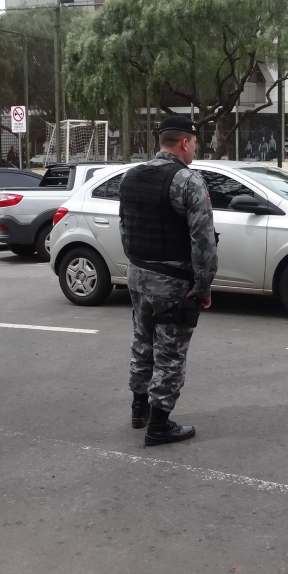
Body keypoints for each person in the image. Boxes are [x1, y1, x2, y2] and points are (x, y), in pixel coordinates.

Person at [119, 115, 218, 446]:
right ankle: (159, 424)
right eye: (195, 144)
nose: (195, 150)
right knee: (170, 351)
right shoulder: (188, 181)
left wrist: (137, 266)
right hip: (172, 282)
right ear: (185, 142)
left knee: (141, 341)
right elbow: (203, 241)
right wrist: (203, 287)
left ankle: (138, 410)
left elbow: (124, 227)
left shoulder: (130, 177)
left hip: (137, 275)